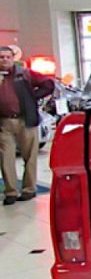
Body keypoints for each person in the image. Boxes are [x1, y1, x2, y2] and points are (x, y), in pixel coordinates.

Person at [0, 46, 55, 205]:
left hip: (26, 120)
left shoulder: (24, 74)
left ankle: (29, 189)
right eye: (1, 57)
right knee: (6, 158)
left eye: (7, 57)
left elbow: (48, 84)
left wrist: (32, 97)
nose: (4, 60)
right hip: (4, 122)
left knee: (30, 156)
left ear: (13, 58)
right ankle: (10, 191)